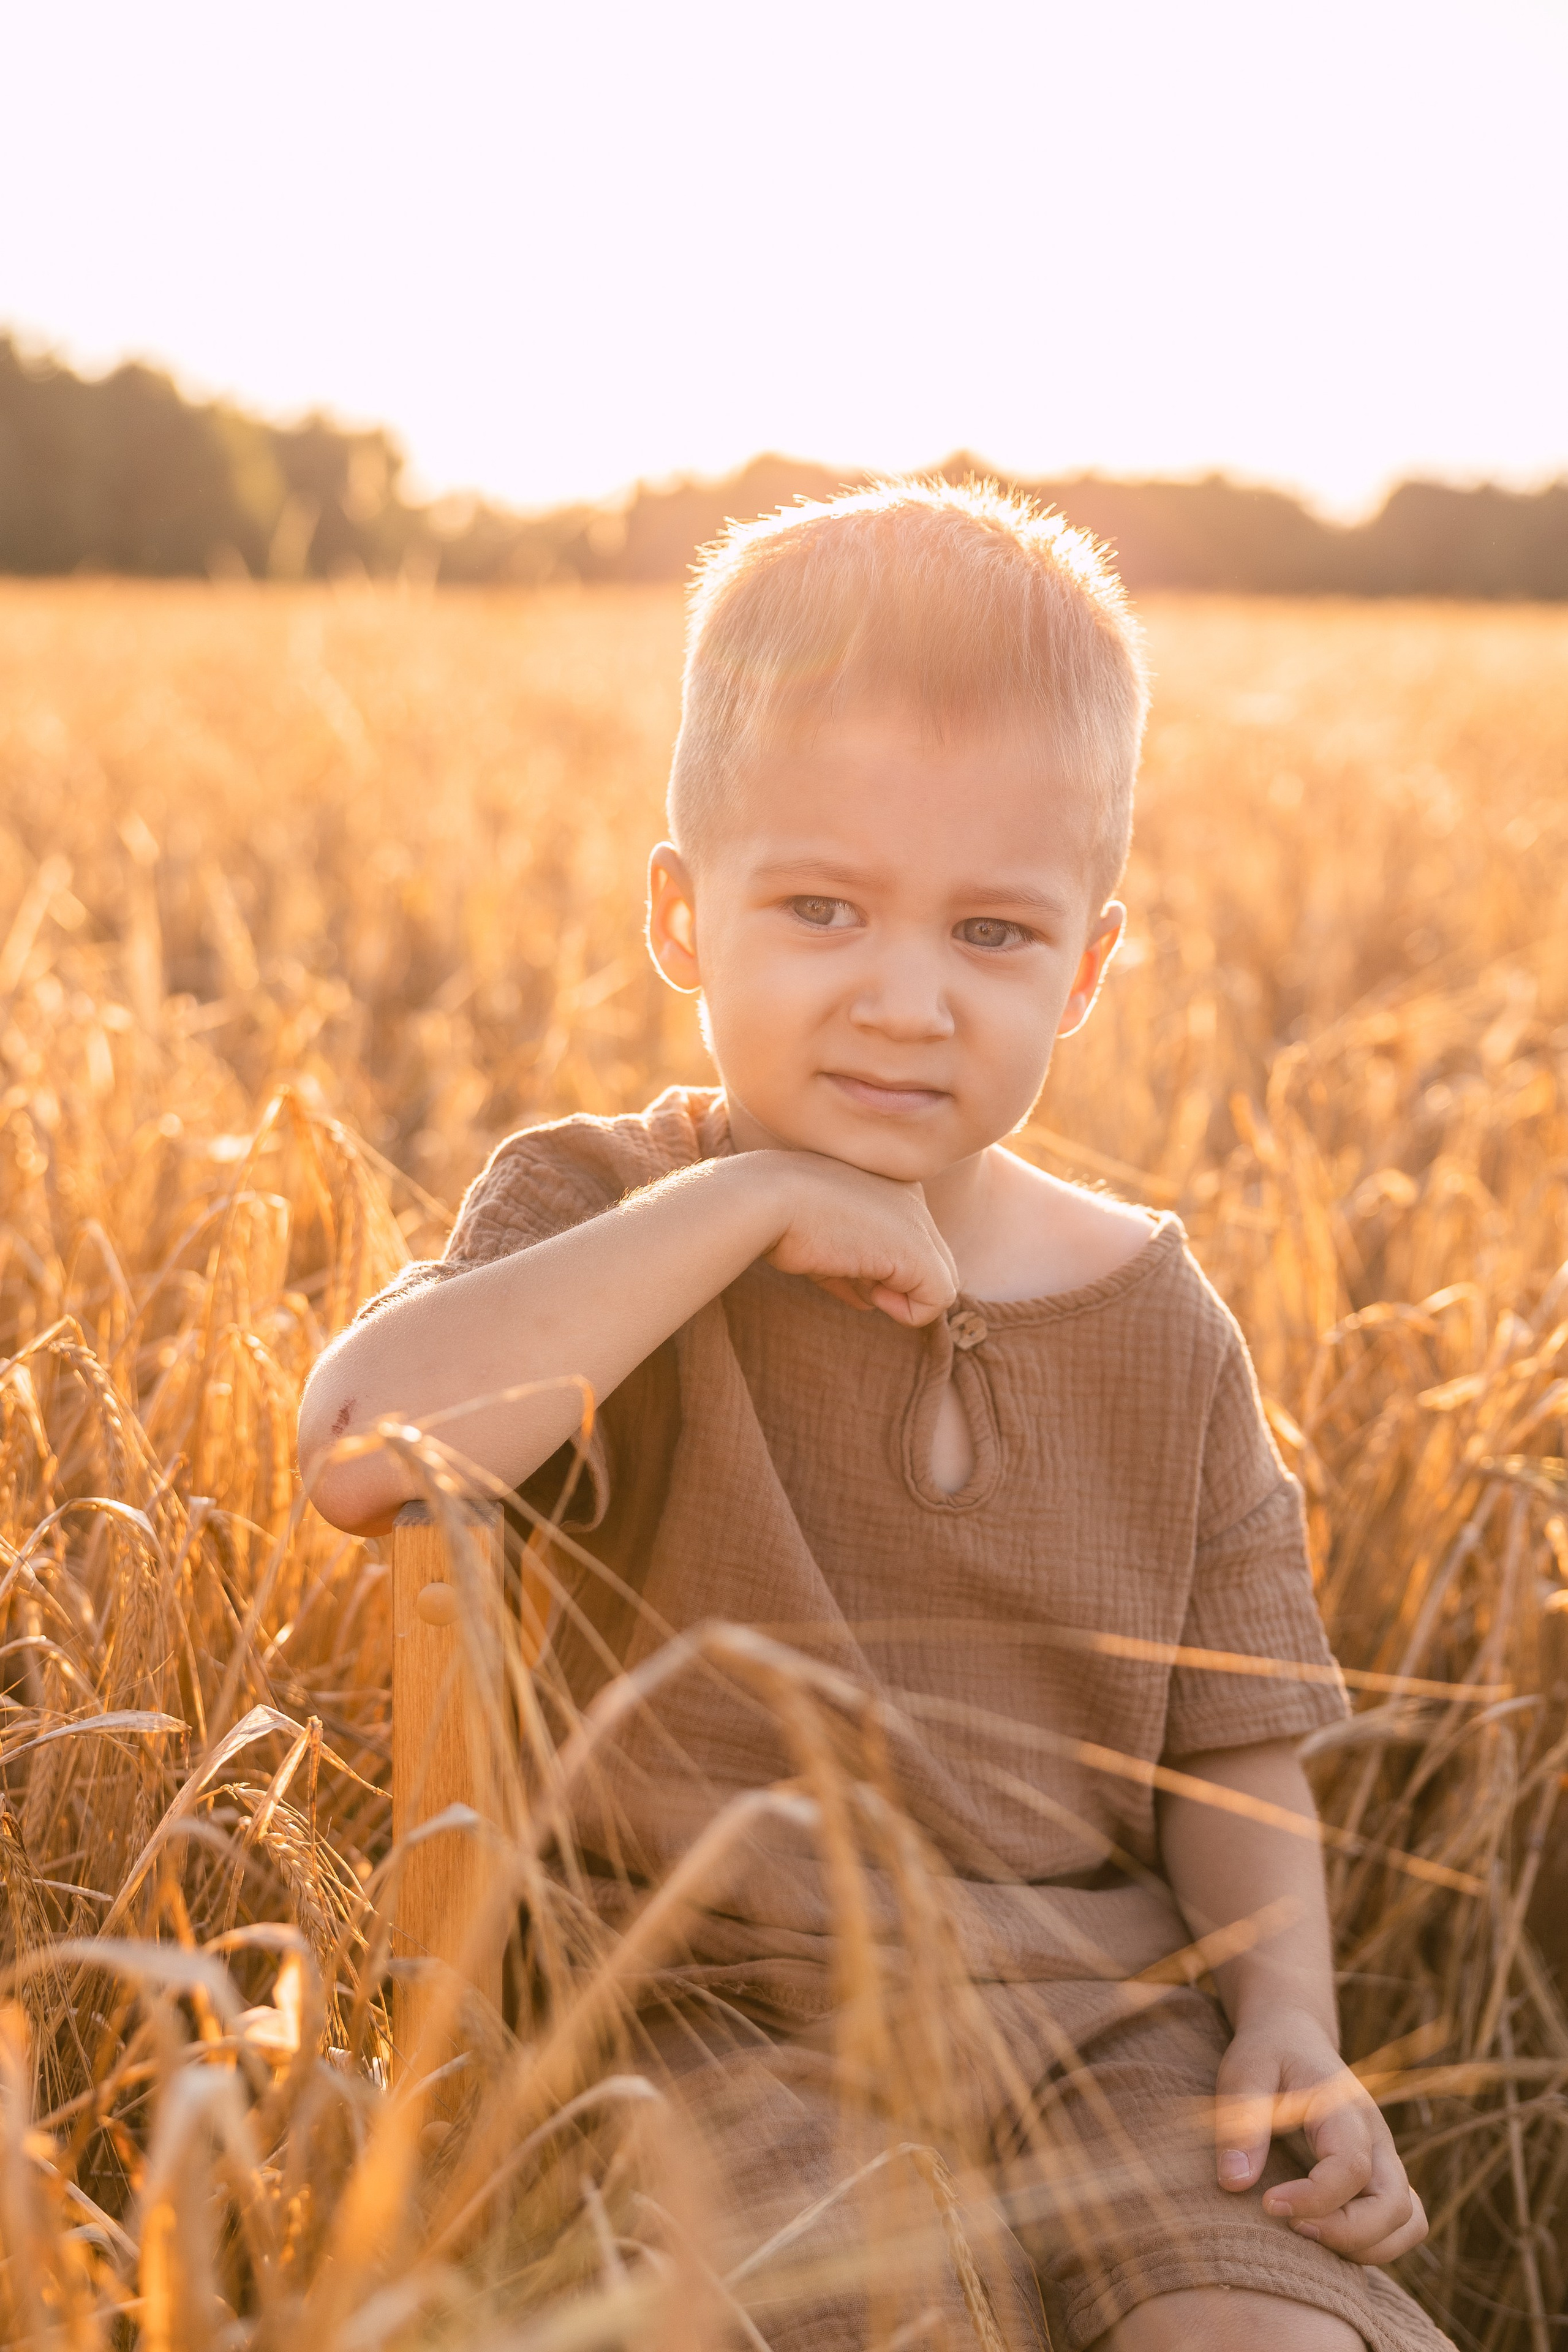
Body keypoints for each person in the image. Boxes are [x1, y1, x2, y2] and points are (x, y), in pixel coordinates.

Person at [298, 481, 1447, 2351]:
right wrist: (744, 1207)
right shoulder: (602, 1211)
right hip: (714, 2023)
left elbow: (1233, 1747)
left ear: (1086, 966)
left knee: (1266, 2335)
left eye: (992, 935)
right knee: (879, 2320)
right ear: (683, 916)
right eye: (820, 907)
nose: (903, 1001)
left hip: (1108, 2025)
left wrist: (1286, 2022)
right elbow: (364, 1451)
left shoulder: (1155, 1321)